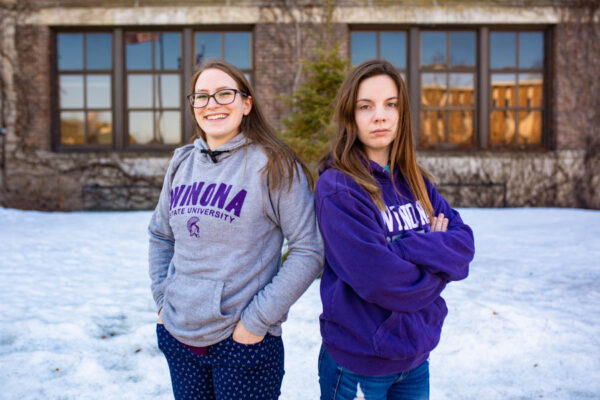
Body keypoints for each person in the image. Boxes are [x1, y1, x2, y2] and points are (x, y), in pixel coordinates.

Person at [148, 59, 323, 400]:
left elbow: (309, 248)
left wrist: (257, 321)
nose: (212, 104)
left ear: (246, 103)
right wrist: (162, 300)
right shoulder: (182, 163)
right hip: (180, 334)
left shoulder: (275, 165)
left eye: (224, 94)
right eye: (202, 96)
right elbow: (160, 235)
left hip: (243, 343)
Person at [315, 59, 475, 400]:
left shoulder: (414, 179)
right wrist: (434, 255)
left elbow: (463, 246)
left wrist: (400, 248)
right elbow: (380, 281)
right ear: (350, 116)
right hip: (358, 363)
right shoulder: (339, 187)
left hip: (416, 358)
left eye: (391, 105)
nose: (380, 116)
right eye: (365, 106)